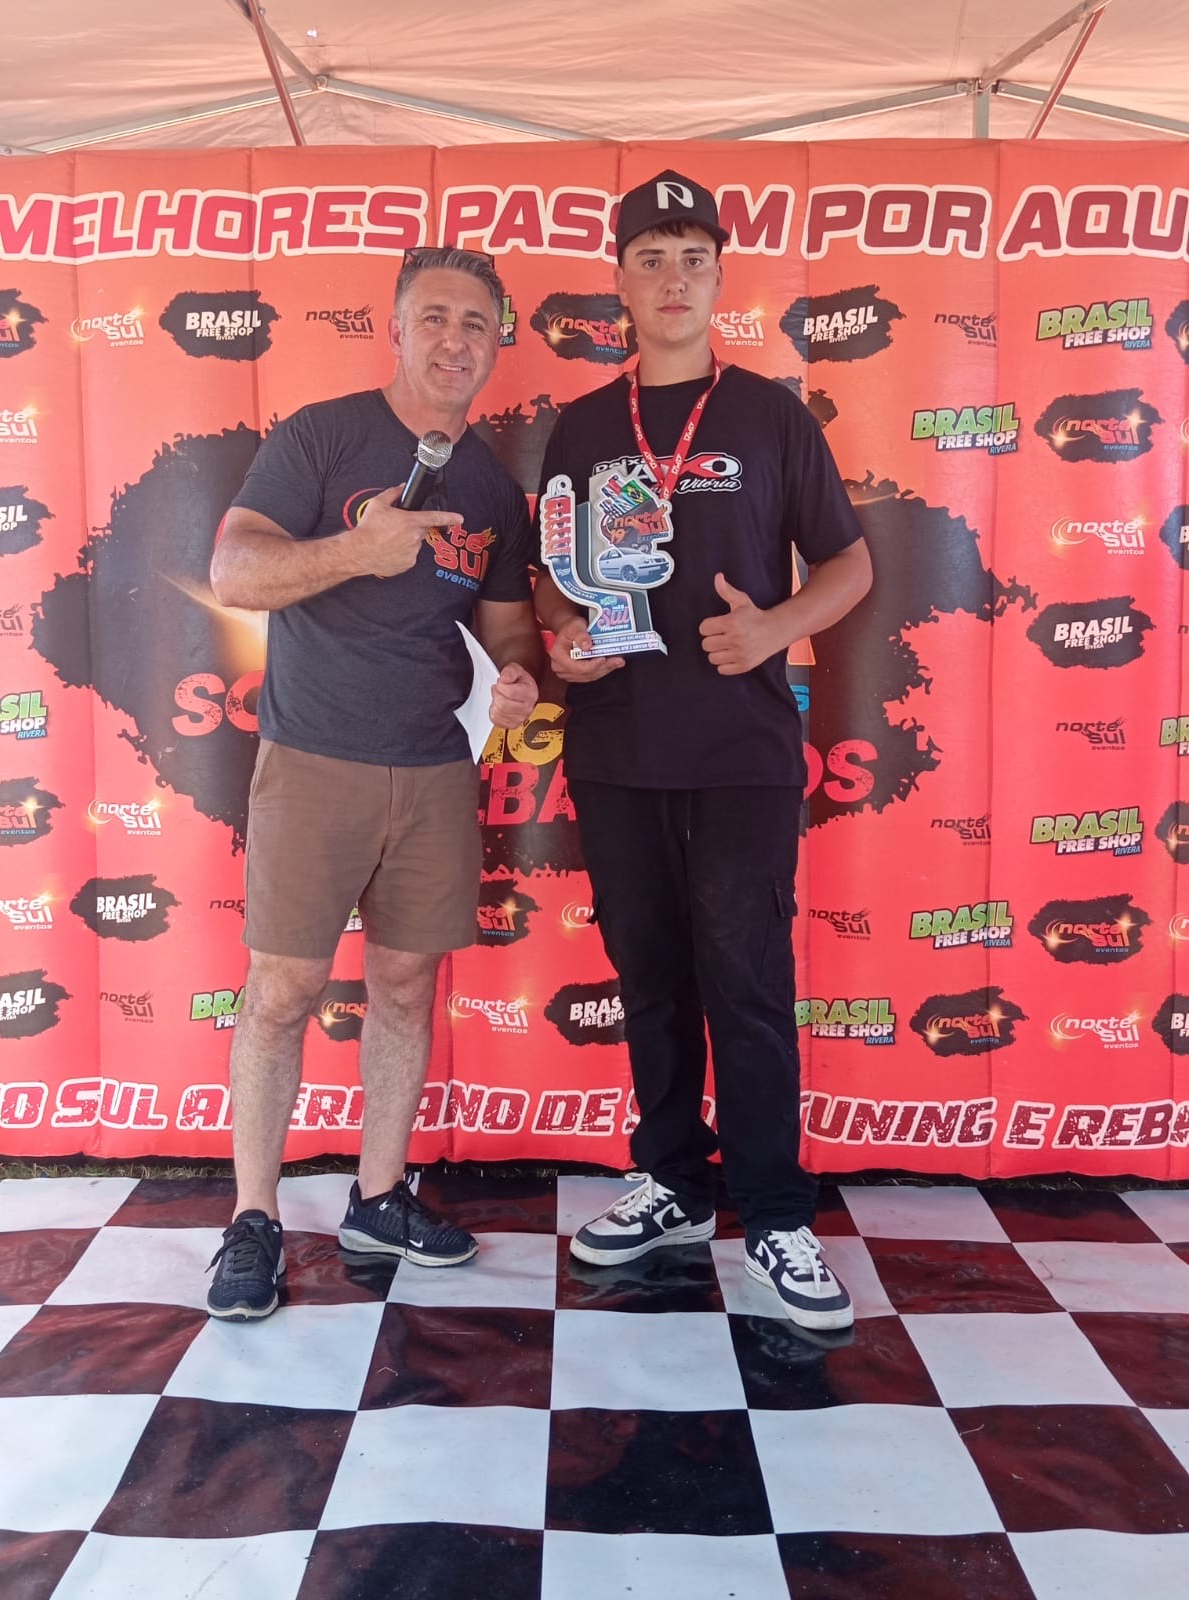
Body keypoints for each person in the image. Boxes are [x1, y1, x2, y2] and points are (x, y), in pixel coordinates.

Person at [533, 171, 872, 1331]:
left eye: (692, 259)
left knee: (747, 983)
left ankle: (774, 1213)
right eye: (650, 258)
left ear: (720, 278)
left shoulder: (772, 415)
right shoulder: (582, 427)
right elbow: (553, 575)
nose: (672, 279)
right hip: (616, 746)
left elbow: (849, 562)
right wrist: (566, 640)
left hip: (740, 751)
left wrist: (776, 628)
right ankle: (673, 1182)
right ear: (620, 284)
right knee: (651, 979)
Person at [206, 246, 542, 1322]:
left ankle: (380, 1196)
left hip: (435, 769)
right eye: (434, 317)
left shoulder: (491, 486)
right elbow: (235, 571)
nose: (455, 340)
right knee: (283, 992)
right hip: (313, 760)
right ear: (395, 330)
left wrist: (521, 680)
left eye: (476, 323)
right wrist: (358, 550)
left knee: (403, 984)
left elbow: (507, 632)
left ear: (498, 344)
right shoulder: (322, 435)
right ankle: (253, 1219)